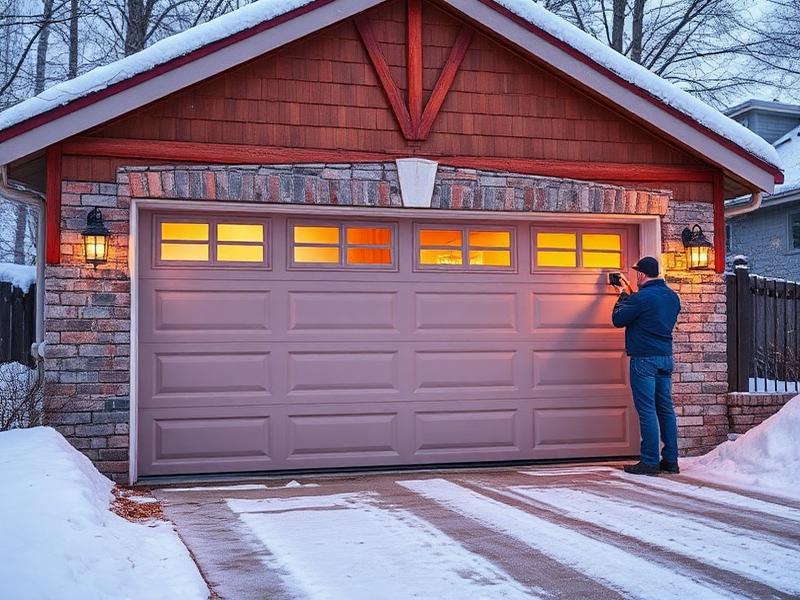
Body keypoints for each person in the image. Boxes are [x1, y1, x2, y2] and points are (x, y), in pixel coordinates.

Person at [611, 256, 681, 476]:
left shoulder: (641, 298)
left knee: (647, 409)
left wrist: (623, 294)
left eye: (637, 273)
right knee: (665, 408)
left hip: (644, 360)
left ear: (641, 274)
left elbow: (618, 319)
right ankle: (671, 460)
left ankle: (650, 461)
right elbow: (650, 315)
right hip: (665, 358)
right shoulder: (672, 296)